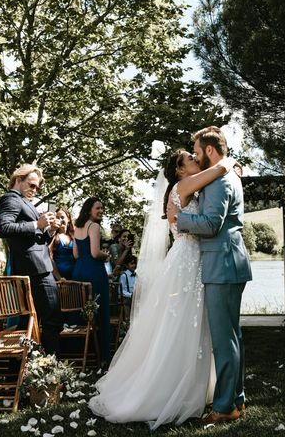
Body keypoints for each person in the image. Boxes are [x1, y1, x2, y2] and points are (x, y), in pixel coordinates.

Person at [89, 148, 236, 429]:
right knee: (181, 322)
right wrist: (227, 160)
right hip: (187, 261)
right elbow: (218, 171)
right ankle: (169, 389)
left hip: (187, 258)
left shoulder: (181, 188)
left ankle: (191, 386)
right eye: (190, 159)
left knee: (185, 322)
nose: (196, 160)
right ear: (180, 170)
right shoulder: (183, 185)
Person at [169, 126, 253, 425]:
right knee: (232, 336)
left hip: (222, 263)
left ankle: (224, 408)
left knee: (223, 339)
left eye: (196, 150)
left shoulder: (219, 183)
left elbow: (211, 223)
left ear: (210, 151)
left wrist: (181, 220)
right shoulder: (222, 177)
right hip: (227, 261)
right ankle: (236, 400)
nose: (194, 154)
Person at [0, 164, 62, 354]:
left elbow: (37, 239)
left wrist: (49, 229)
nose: (35, 190)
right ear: (18, 179)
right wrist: (37, 223)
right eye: (32, 185)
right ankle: (52, 370)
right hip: (35, 268)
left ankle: (33, 371)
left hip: (38, 266)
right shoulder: (11, 199)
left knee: (35, 322)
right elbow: (3, 228)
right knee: (52, 320)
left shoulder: (24, 201)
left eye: (37, 188)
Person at [72, 197, 111, 362]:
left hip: (79, 271)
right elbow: (95, 253)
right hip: (94, 272)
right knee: (100, 313)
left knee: (81, 313)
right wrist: (107, 256)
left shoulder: (77, 227)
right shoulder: (94, 226)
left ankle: (82, 353)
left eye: (102, 208)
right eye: (98, 208)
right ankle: (102, 355)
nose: (101, 211)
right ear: (89, 210)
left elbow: (75, 254)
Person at [50, 207, 75, 280]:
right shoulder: (53, 236)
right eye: (57, 217)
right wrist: (59, 278)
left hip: (74, 277)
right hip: (58, 279)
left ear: (68, 219)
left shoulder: (74, 236)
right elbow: (50, 258)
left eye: (62, 217)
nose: (60, 220)